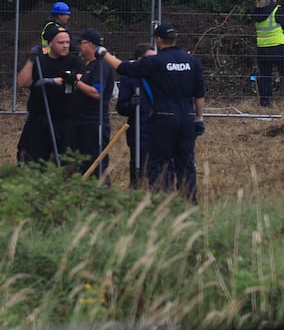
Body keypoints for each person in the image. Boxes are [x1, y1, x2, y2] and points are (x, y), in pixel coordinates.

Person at [97, 24, 206, 201]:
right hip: (186, 117)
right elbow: (199, 93)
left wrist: (103, 53)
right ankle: (189, 205)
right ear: (175, 39)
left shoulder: (155, 61)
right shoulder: (192, 62)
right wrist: (198, 119)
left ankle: (159, 203)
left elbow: (123, 68)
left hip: (164, 118)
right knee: (186, 164)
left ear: (158, 40)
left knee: (159, 163)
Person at [15, 28, 81, 164]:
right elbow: (22, 82)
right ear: (50, 43)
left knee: (66, 161)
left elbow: (82, 77)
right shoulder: (40, 62)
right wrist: (31, 59)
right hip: (40, 119)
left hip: (65, 120)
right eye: (61, 42)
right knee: (32, 159)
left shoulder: (73, 61)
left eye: (67, 42)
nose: (65, 46)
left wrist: (69, 79)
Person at [67, 28, 116, 178]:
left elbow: (97, 92)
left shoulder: (101, 65)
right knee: (83, 163)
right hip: (82, 122)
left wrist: (76, 82)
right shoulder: (90, 66)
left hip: (94, 124)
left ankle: (101, 194)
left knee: (95, 164)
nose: (79, 47)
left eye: (81, 43)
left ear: (90, 45)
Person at [115, 43, 158, 188]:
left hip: (159, 126)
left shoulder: (160, 76)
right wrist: (132, 104)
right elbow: (121, 107)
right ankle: (136, 191)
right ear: (140, 60)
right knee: (138, 164)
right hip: (139, 129)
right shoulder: (130, 78)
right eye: (149, 58)